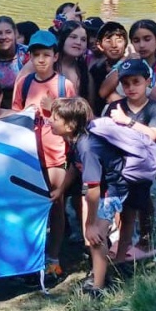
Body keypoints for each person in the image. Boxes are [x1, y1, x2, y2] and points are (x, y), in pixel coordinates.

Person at [50, 98, 139, 294]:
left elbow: (93, 188)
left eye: (55, 118)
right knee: (95, 234)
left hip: (114, 188)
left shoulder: (87, 147)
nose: (50, 121)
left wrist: (90, 224)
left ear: (70, 124)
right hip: (106, 187)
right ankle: (104, 273)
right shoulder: (76, 140)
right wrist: (61, 189)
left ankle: (98, 287)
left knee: (95, 236)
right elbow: (75, 167)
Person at [13, 31, 76, 284]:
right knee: (31, 206)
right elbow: (16, 115)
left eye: (46, 55)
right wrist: (27, 113)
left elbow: (73, 121)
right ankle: (33, 256)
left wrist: (52, 114)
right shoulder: (24, 83)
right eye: (36, 55)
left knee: (56, 205)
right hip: (29, 154)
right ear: (30, 57)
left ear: (55, 56)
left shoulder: (64, 84)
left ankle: (53, 258)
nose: (41, 60)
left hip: (56, 153)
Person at [102, 60, 156, 262]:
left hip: (142, 168)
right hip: (118, 167)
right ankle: (121, 245)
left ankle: (143, 242)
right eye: (125, 84)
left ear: (147, 81)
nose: (130, 88)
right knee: (120, 209)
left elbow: (152, 134)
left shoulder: (154, 108)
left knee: (140, 205)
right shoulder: (115, 106)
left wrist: (127, 121)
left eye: (136, 82)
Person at [100, 20, 156, 104]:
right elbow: (103, 92)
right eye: (136, 40)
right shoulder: (126, 63)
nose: (142, 45)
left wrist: (115, 98)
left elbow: (152, 104)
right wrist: (124, 63)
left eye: (147, 39)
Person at [0, 16, 30, 109]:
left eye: (8, 32)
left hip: (30, 104)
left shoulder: (29, 53)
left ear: (16, 33)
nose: (4, 37)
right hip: (4, 110)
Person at [88, 21, 128, 116]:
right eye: (108, 41)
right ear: (99, 45)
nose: (114, 45)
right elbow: (92, 99)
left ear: (125, 44)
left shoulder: (133, 65)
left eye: (119, 41)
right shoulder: (96, 68)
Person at [56, 21, 91, 101]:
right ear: (62, 38)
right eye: (73, 37)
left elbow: (89, 108)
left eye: (83, 39)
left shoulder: (84, 73)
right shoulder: (45, 63)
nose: (78, 42)